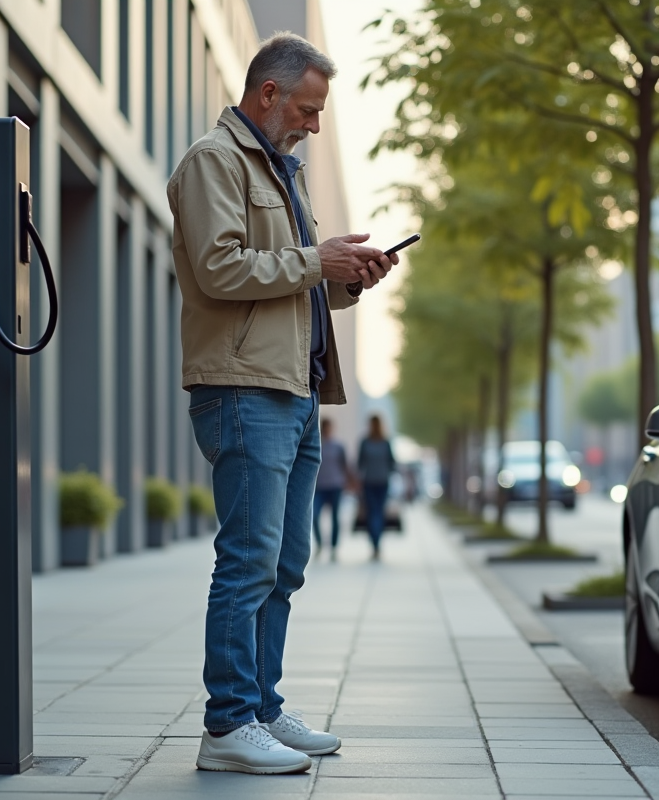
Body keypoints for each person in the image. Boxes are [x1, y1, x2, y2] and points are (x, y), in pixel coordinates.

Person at [166, 32, 399, 775]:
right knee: (249, 560)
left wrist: (350, 274)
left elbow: (291, 287)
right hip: (243, 390)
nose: (315, 124)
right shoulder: (213, 161)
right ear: (268, 93)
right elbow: (220, 269)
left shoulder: (280, 170)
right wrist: (315, 259)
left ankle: (261, 708)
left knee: (286, 563)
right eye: (307, 107)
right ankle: (227, 725)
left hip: (294, 394)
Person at [313, 418, 354, 558]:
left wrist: (351, 482)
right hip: (319, 487)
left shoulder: (338, 446)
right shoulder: (316, 444)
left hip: (336, 485)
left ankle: (334, 547)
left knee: (335, 518)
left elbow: (345, 466)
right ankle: (319, 543)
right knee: (315, 515)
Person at [357, 414, 396, 561]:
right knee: (378, 513)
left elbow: (360, 464)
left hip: (370, 482)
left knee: (372, 513)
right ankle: (377, 545)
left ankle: (374, 545)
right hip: (382, 481)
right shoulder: (385, 442)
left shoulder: (365, 442)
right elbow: (392, 463)